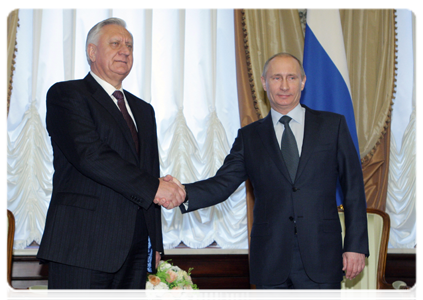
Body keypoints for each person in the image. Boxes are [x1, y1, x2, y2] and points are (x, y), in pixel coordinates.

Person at [158, 53, 369, 300]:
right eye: (276, 77)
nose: (284, 85)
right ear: (264, 83)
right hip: (270, 260)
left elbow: (354, 188)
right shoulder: (250, 137)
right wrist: (180, 192)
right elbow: (222, 184)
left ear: (303, 81)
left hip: (322, 257)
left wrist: (355, 247)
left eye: (291, 77)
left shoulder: (333, 126)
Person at [37, 17, 185, 300]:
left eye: (129, 45)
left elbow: (148, 172)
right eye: (115, 43)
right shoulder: (67, 94)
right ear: (92, 52)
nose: (125, 51)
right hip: (82, 246)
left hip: (135, 250)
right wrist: (156, 187)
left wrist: (156, 244)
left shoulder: (143, 110)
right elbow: (90, 155)